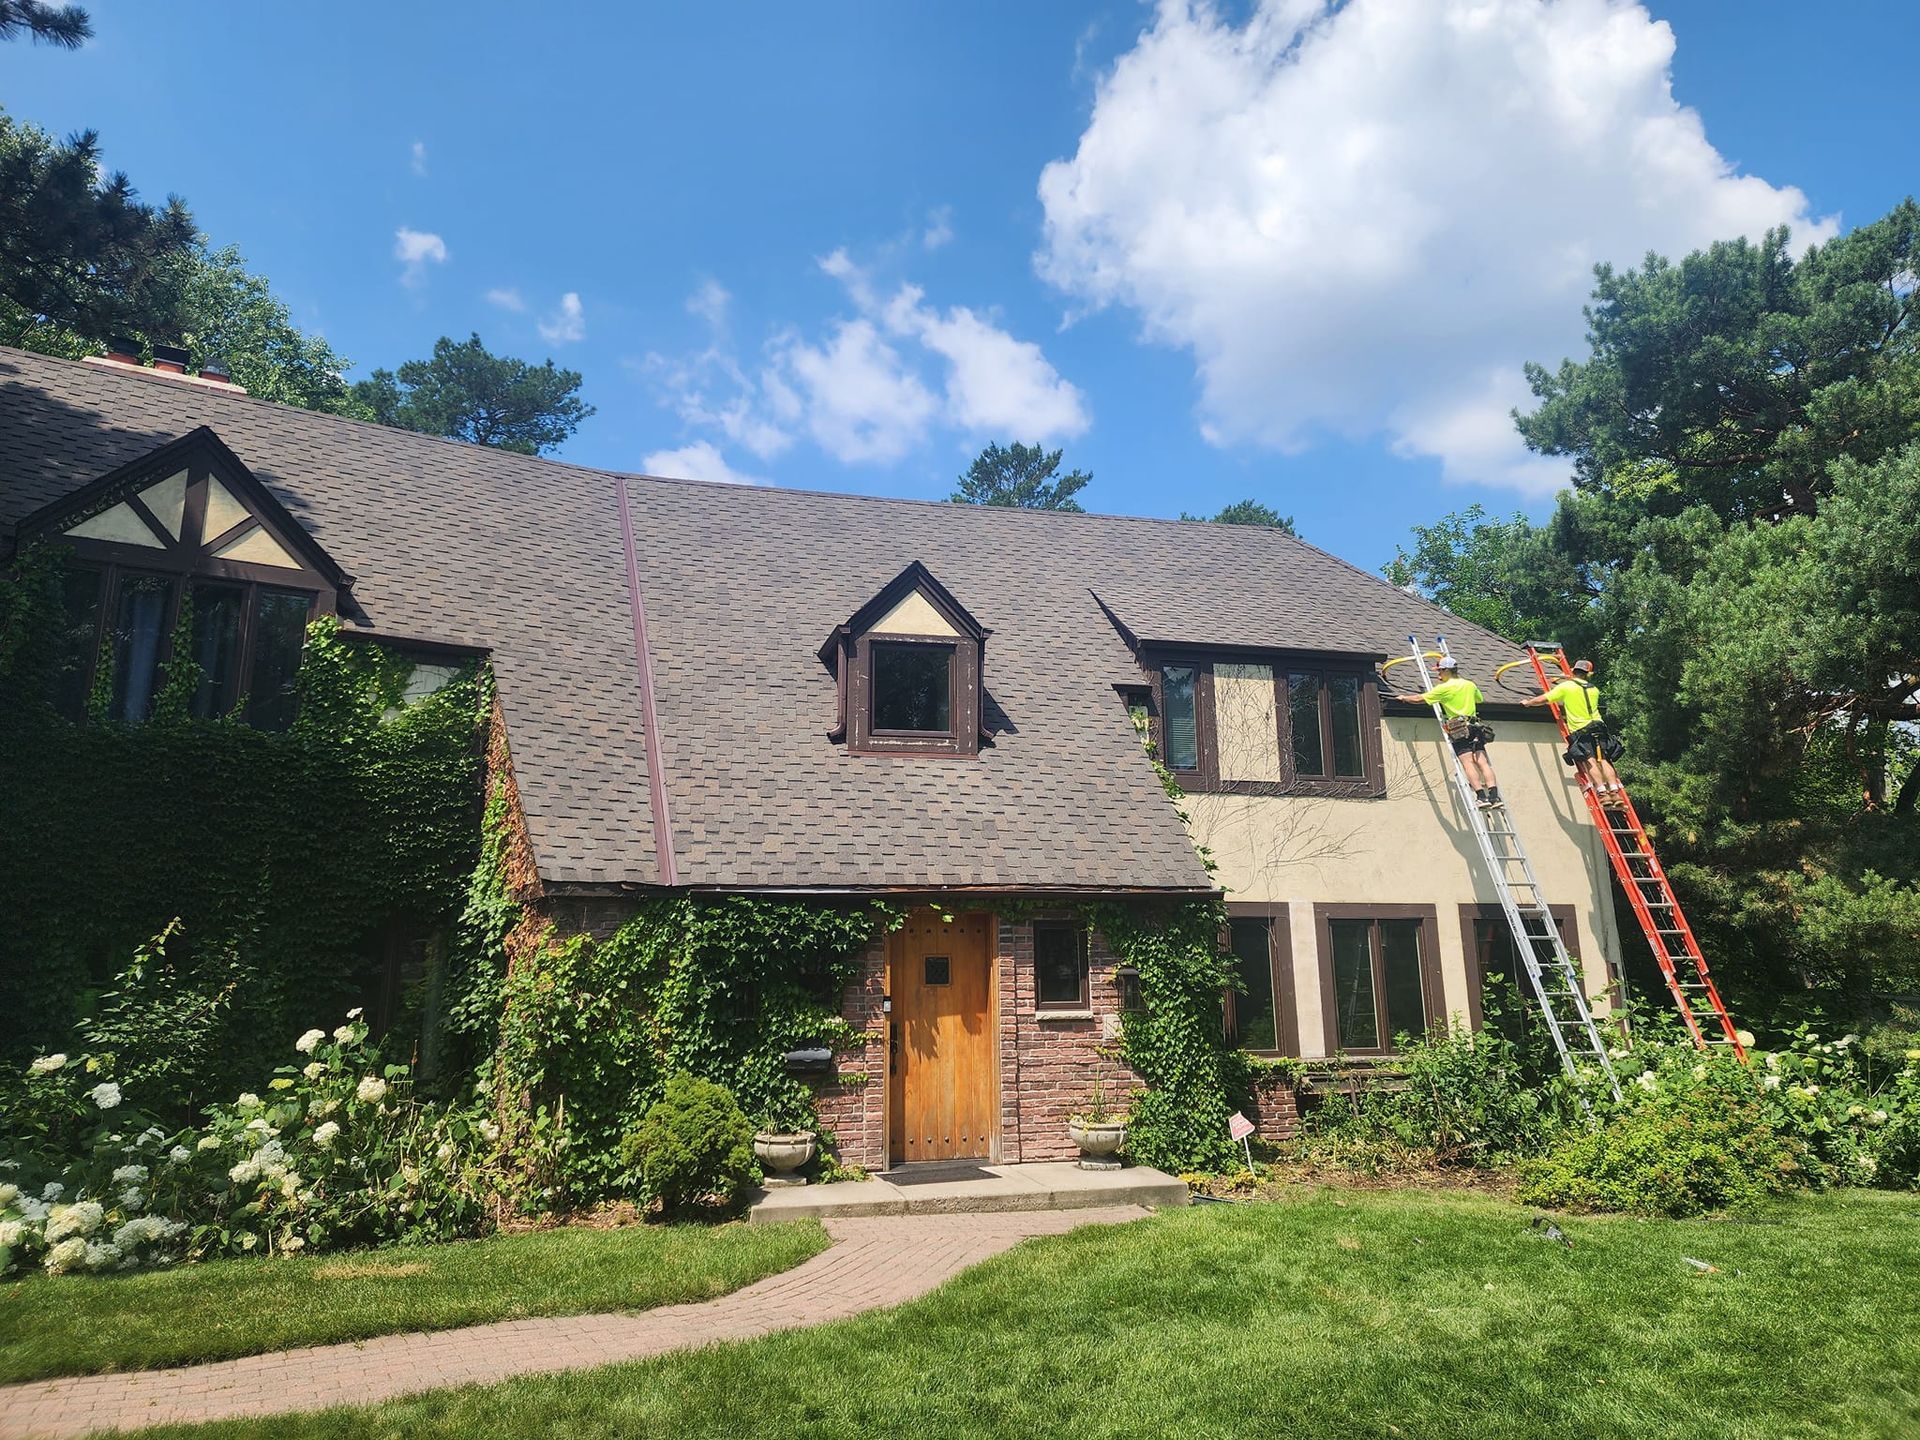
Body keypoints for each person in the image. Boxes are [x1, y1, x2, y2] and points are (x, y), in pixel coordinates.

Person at [1389, 657, 1502, 809]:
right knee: (1482, 762)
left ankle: (1482, 797)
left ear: (1447, 670)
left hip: (1459, 728)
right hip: (1475, 726)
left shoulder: (1443, 688)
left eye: (1440, 671)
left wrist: (1403, 698)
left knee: (1468, 763)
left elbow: (1419, 699)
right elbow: (1479, 699)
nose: (1438, 675)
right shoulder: (1469, 684)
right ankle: (1494, 797)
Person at [1525, 658, 1625, 804]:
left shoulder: (1566, 687)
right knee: (1604, 759)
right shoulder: (1594, 689)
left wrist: (1528, 703)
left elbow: (1544, 699)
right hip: (1599, 727)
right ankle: (1615, 792)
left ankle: (1602, 792)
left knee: (1590, 760)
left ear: (1573, 671)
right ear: (1588, 674)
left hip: (1581, 729)